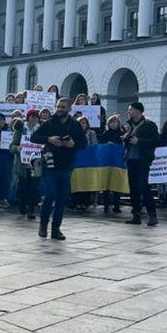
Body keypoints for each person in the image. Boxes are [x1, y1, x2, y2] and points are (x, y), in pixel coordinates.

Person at [29, 97, 86, 239]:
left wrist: (73, 144)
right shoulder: (49, 123)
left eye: (63, 107)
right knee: (49, 195)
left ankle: (56, 228)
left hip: (66, 165)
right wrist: (49, 139)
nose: (60, 109)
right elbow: (34, 137)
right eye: (58, 107)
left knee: (62, 198)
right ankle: (43, 224)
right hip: (50, 164)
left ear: (69, 109)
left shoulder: (74, 125)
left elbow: (83, 143)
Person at [123, 101, 160, 226]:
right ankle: (136, 215)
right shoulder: (130, 125)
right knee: (133, 188)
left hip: (143, 160)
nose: (129, 112)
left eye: (131, 109)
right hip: (131, 159)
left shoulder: (149, 125)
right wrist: (126, 139)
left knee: (144, 186)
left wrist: (140, 141)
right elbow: (129, 141)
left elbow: (156, 141)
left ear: (138, 111)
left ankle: (152, 215)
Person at [99, 114, 125, 215]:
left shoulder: (122, 133)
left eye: (115, 122)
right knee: (107, 184)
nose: (113, 124)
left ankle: (117, 205)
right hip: (107, 162)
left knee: (117, 183)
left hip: (117, 162)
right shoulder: (105, 133)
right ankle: (106, 205)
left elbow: (124, 146)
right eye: (111, 122)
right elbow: (100, 145)